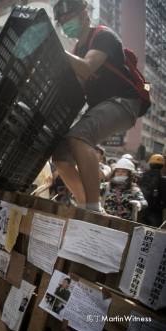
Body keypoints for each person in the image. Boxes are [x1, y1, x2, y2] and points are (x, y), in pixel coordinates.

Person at [51, 0, 149, 213]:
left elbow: (86, 68)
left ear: (84, 14)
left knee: (79, 136)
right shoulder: (78, 48)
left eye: (69, 18)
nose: (66, 24)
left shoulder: (104, 36)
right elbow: (76, 84)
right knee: (60, 155)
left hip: (124, 102)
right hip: (100, 106)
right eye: (62, 21)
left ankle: (93, 208)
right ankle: (83, 202)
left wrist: (55, 48)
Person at [139, 154, 166, 227]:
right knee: (152, 235)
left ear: (150, 164)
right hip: (156, 213)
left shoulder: (142, 176)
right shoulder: (164, 180)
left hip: (141, 210)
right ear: (162, 166)